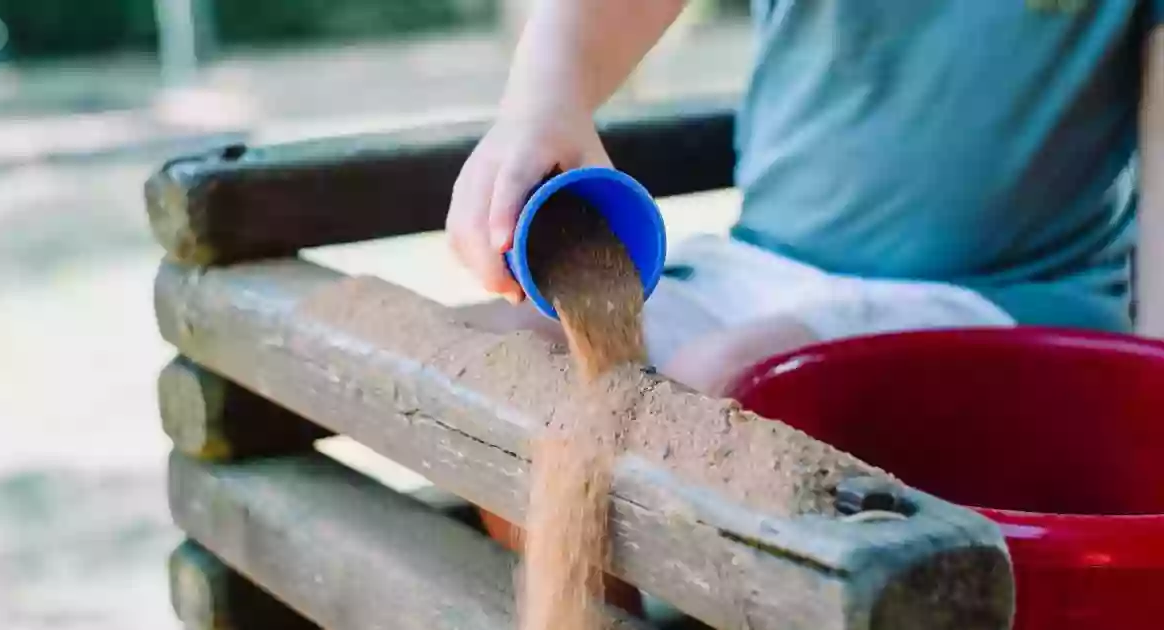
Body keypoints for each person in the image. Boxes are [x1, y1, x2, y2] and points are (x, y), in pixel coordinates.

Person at [449, 0, 1163, 398]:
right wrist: (543, 98)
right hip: (764, 268)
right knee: (501, 356)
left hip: (1003, 296)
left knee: (731, 381)